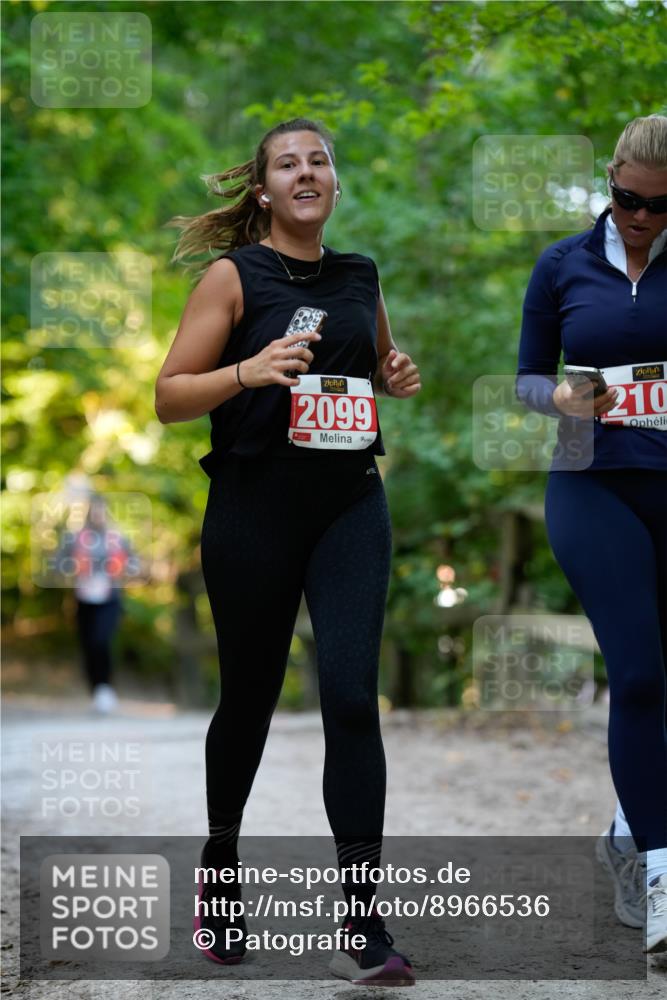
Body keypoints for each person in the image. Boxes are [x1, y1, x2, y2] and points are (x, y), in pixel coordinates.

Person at [157, 117, 422, 984]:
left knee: (351, 697)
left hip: (349, 505)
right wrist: (248, 370)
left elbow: (375, 360)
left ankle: (363, 917)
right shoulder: (233, 277)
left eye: (318, 161)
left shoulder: (359, 273)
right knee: (250, 702)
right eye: (286, 163)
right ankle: (222, 869)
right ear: (265, 191)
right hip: (254, 509)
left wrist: (393, 371)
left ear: (334, 184)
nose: (305, 172)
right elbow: (168, 396)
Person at [516, 114, 667, 954]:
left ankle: (622, 827)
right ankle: (658, 870)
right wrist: (562, 400)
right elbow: (526, 379)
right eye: (625, 199)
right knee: (639, 675)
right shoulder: (561, 265)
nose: (640, 217)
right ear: (608, 180)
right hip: (591, 483)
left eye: (659, 205)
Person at [59, 494, 132, 714]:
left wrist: (121, 568)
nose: (98, 515)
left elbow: (134, 563)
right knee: (88, 646)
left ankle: (105, 688)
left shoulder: (117, 538)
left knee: (101, 641)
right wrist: (72, 566)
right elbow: (59, 563)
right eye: (94, 511)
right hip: (84, 600)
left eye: (101, 511)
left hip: (109, 599)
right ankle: (96, 691)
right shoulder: (75, 538)